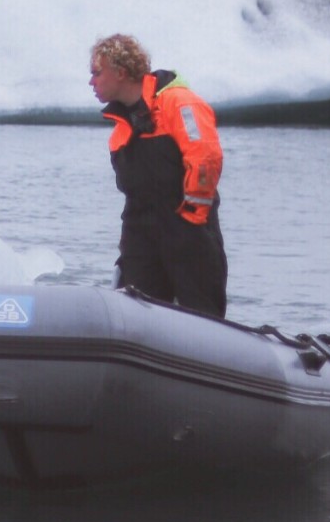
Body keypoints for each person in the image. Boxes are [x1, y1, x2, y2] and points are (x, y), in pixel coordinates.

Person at [88, 33, 228, 318]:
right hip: (141, 234)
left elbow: (205, 156)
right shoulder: (121, 128)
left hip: (188, 230)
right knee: (135, 312)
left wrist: (193, 215)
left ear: (120, 72)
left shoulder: (180, 103)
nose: (91, 82)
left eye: (97, 73)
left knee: (202, 315)